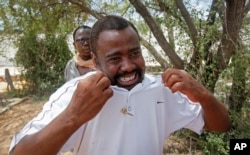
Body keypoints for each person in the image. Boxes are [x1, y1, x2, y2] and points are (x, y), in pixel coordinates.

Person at [9, 15, 231, 155]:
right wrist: (74, 116)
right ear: (96, 62)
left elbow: (220, 125)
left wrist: (203, 95)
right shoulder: (76, 93)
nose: (128, 66)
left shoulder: (161, 89)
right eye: (115, 58)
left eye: (134, 53)